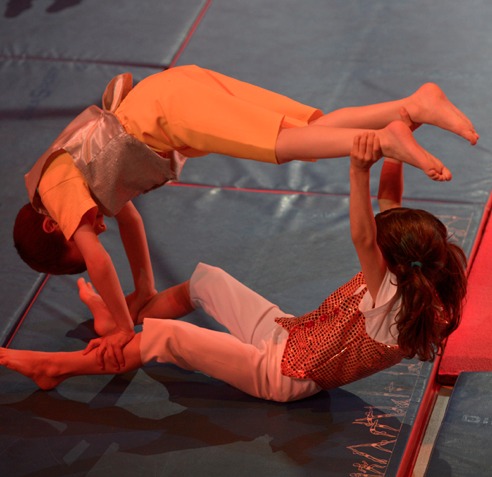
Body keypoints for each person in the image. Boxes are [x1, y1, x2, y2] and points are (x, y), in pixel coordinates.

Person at [13, 65, 477, 368]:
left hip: (166, 112)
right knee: (308, 130)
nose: (97, 228)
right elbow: (131, 222)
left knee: (285, 145)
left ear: (53, 225)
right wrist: (143, 290)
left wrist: (120, 326)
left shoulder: (53, 194)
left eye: (84, 233)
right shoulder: (69, 178)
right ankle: (412, 107)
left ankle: (387, 138)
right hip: (171, 90)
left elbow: (99, 262)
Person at [1, 132, 468, 402]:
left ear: (389, 261)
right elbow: (389, 204)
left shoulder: (390, 298)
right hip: (291, 334)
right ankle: (128, 318)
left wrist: (358, 168)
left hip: (284, 375)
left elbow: (364, 234)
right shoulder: (419, 267)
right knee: (208, 280)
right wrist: (394, 141)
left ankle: (55, 368)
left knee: (168, 338)